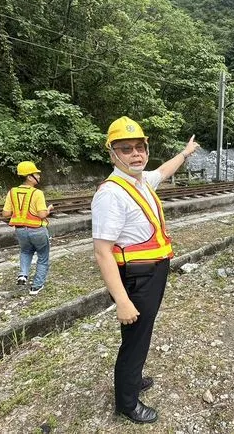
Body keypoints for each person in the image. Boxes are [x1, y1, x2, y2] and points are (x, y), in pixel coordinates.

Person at [92, 116, 199, 424]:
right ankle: (127, 403)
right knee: (135, 340)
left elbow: (163, 171)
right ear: (112, 153)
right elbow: (102, 251)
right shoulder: (111, 194)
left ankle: (133, 380)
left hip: (152, 274)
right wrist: (122, 301)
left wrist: (185, 152)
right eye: (126, 149)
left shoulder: (138, 181)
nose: (136, 154)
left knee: (141, 334)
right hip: (137, 278)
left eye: (140, 147)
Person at [2, 161, 53, 296]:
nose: (39, 176)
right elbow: (42, 214)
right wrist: (49, 209)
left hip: (20, 230)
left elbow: (6, 213)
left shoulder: (12, 192)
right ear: (30, 177)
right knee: (42, 257)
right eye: (36, 173)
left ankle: (23, 275)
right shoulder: (37, 193)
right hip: (37, 230)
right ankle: (36, 287)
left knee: (25, 251)